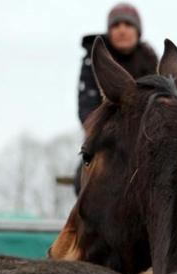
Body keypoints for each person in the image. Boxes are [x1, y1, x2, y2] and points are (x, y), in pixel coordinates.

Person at [74, 3, 158, 194]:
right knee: (84, 179)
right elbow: (86, 106)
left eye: (128, 25)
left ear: (137, 30)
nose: (122, 30)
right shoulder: (94, 61)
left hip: (145, 139)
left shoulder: (150, 61)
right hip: (106, 138)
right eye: (116, 25)